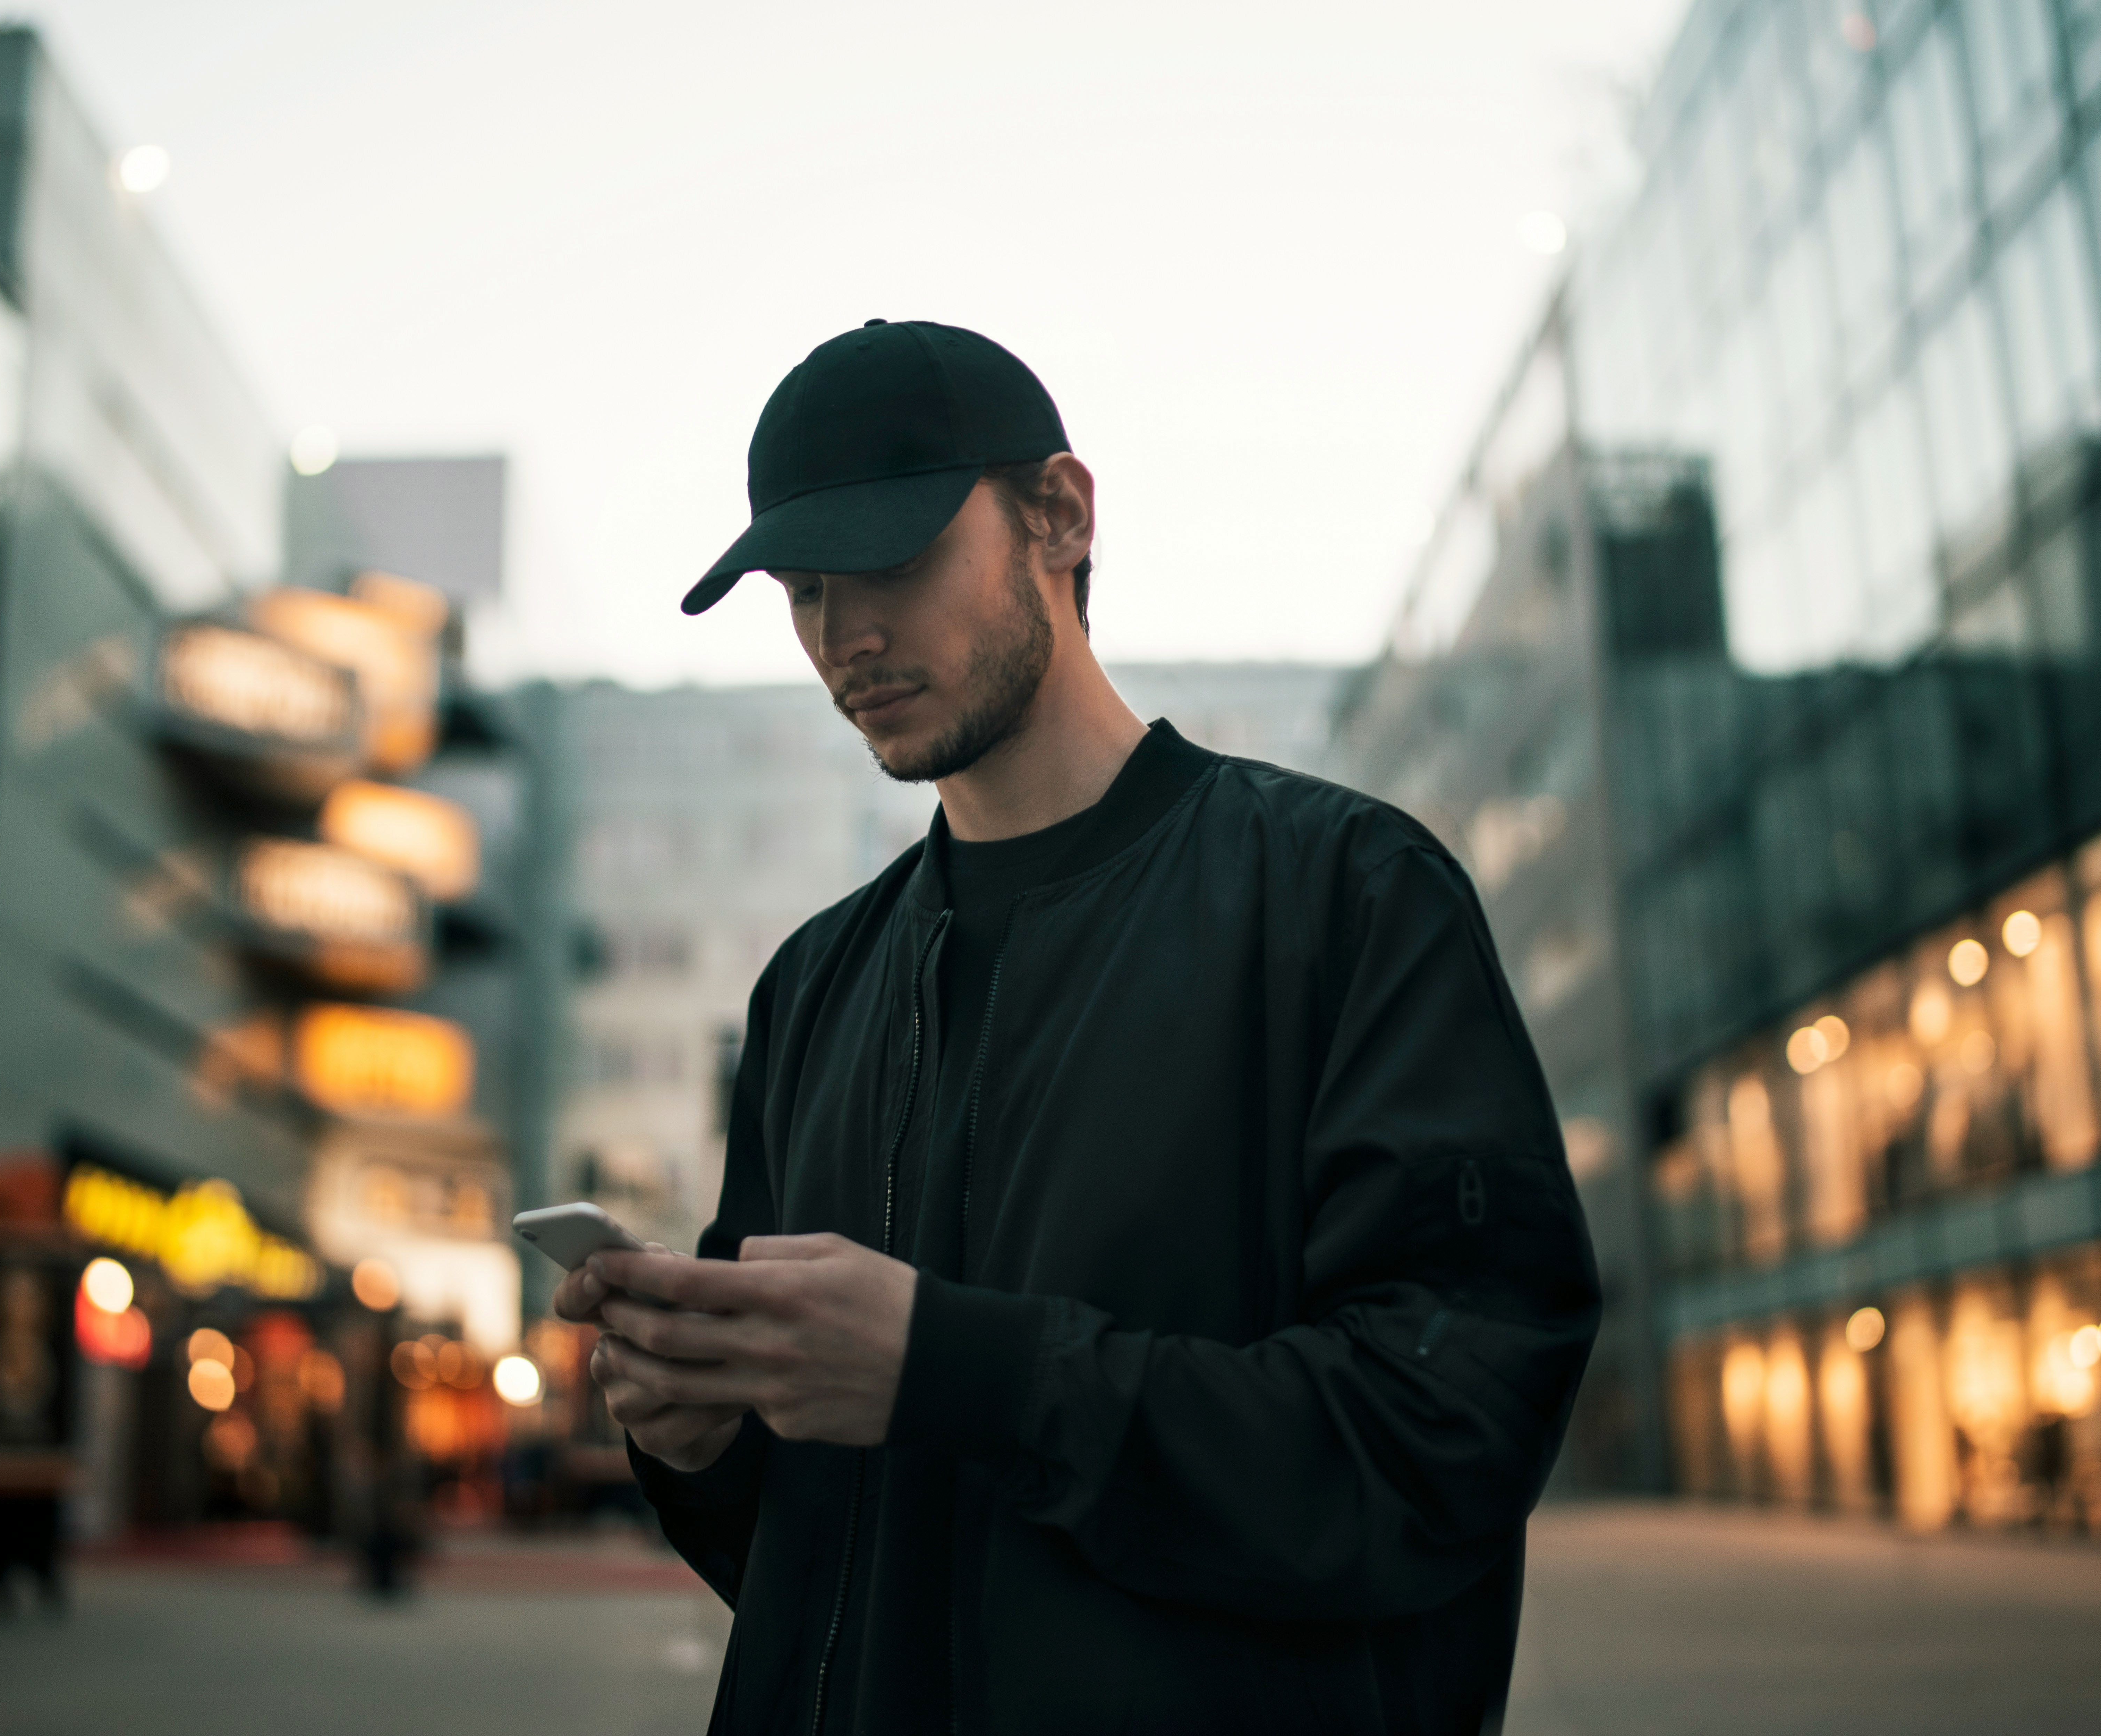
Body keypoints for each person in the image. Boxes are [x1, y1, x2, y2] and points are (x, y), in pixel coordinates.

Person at [554, 320, 1600, 1735]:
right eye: (802, 590)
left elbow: (1442, 1442)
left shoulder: (1345, 898)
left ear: (1059, 514)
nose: (844, 635)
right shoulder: (811, 988)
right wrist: (698, 1441)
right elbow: (806, 1560)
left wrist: (958, 1369)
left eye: (890, 561)